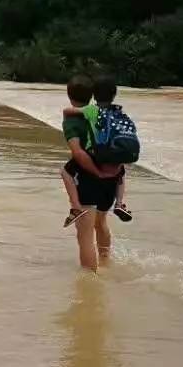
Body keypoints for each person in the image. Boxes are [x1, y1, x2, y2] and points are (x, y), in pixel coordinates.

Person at [60, 74, 125, 273]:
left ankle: (91, 283)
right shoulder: (113, 115)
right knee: (101, 222)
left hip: (90, 176)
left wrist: (95, 172)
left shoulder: (73, 121)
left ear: (70, 96)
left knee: (85, 234)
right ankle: (106, 260)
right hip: (113, 175)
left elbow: (78, 153)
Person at [63, 72, 134, 223]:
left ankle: (76, 208)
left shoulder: (92, 110)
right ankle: (120, 203)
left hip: (95, 154)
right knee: (120, 173)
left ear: (94, 96)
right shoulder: (119, 113)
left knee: (65, 172)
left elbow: (68, 111)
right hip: (116, 156)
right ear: (114, 95)